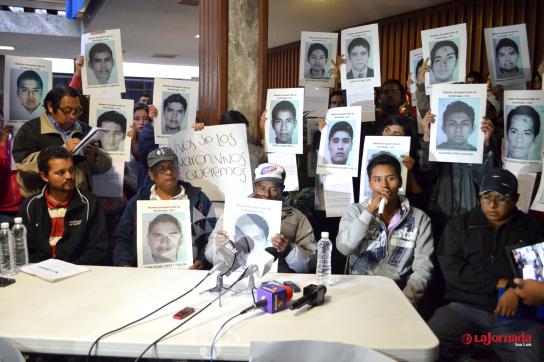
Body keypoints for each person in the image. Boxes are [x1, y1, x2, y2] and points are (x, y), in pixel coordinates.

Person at [429, 168, 544, 361]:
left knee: (532, 353)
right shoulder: (461, 225)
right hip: (462, 308)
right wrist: (499, 283)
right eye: (486, 196)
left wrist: (515, 292)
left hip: (515, 317)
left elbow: (536, 276)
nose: (492, 204)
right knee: (430, 343)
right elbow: (453, 271)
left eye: (501, 198)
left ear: (515, 199)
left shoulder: (529, 228)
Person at [336, 153, 434, 305]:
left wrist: (405, 301)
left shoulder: (420, 219)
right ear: (370, 183)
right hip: (358, 291)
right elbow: (344, 248)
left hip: (397, 293)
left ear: (400, 181)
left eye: (391, 178)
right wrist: (369, 211)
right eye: (377, 180)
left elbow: (423, 268)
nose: (384, 186)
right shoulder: (355, 211)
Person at [113, 146, 216, 269]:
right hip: (144, 277)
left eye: (172, 166)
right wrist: (124, 264)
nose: (168, 172)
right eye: (161, 169)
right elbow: (122, 239)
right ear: (151, 174)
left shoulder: (199, 201)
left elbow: (211, 237)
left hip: (189, 273)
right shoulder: (138, 202)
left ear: (178, 170)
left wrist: (202, 260)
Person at [205, 163, 316, 273]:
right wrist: (219, 246)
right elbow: (209, 257)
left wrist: (288, 250)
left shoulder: (295, 217)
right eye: (262, 188)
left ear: (282, 189)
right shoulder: (234, 212)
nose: (267, 195)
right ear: (254, 187)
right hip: (235, 278)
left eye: (273, 189)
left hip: (279, 280)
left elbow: (310, 263)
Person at [12, 86, 112, 197]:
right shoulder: (31, 130)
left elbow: (105, 166)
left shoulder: (85, 130)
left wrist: (94, 155)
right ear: (50, 107)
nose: (73, 116)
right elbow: (24, 167)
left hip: (79, 200)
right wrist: (62, 151)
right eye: (67, 111)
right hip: (43, 202)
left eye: (77, 110)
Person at [19, 146, 108, 265]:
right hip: (41, 272)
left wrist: (70, 269)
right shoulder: (31, 205)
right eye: (60, 173)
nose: (69, 176)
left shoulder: (90, 203)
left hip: (79, 271)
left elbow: (97, 249)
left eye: (71, 170)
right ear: (45, 176)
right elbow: (26, 248)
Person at [0, 111, 23, 224]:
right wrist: (2, 145)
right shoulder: (3, 143)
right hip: (3, 211)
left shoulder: (15, 140)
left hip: (23, 206)